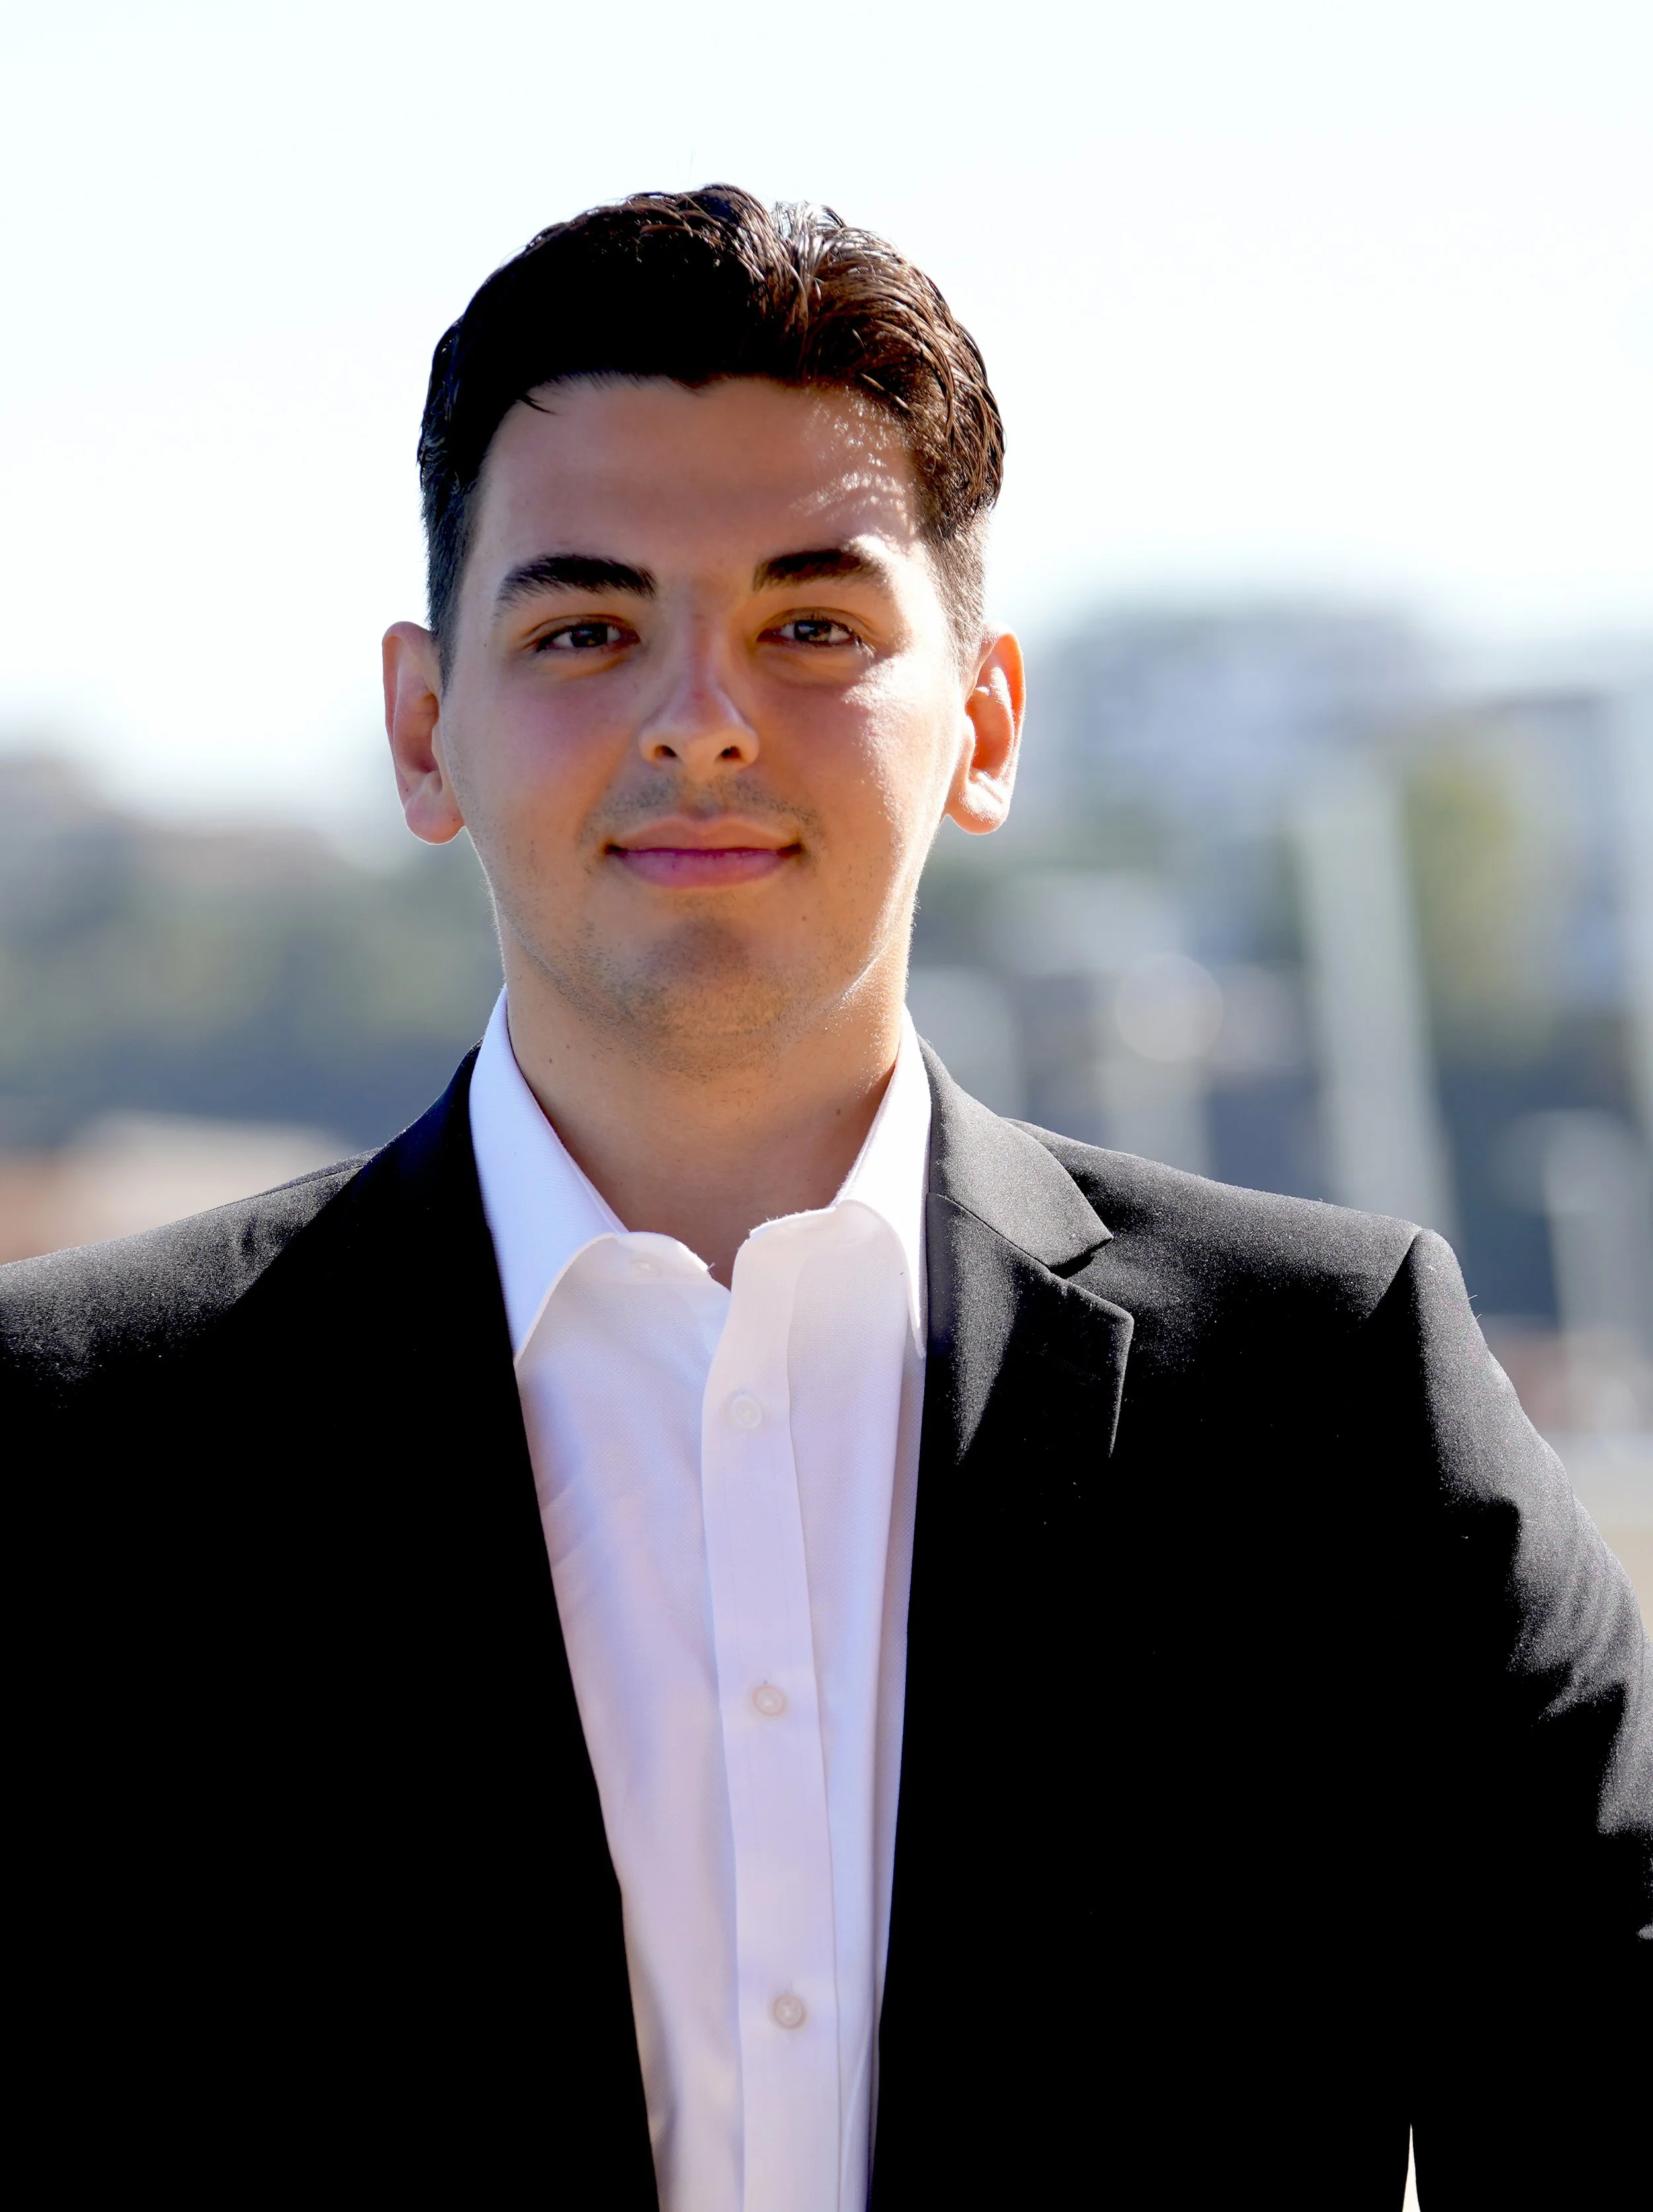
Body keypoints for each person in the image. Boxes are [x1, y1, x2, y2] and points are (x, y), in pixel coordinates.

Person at [7, 187, 1648, 2209]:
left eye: (812, 628)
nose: (698, 718)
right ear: (425, 727)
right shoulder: (63, 1442)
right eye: (585, 630)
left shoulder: (1330, 1404)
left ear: (984, 721)